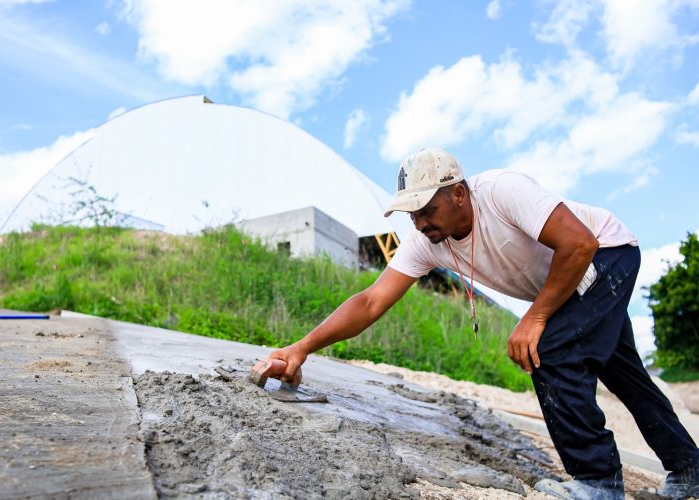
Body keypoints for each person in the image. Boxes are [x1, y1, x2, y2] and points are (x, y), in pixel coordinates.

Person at [255, 148, 699, 500]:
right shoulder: (428, 241)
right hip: (572, 276)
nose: (420, 223)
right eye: (412, 215)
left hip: (605, 253)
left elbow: (579, 244)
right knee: (625, 375)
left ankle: (598, 481)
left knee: (550, 350)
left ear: (459, 194)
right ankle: (690, 469)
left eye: (426, 209)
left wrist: (536, 317)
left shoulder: (503, 191)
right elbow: (370, 302)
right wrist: (301, 348)